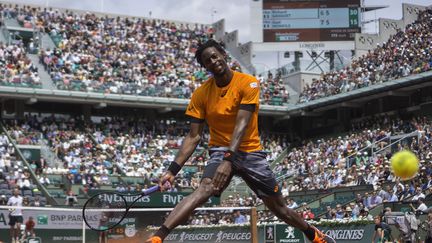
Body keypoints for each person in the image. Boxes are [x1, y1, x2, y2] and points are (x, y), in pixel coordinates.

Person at [146, 39, 334, 243]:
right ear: (205, 67)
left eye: (215, 55)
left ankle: (312, 234)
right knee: (204, 189)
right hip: (220, 150)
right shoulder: (200, 94)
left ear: (223, 55)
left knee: (280, 209)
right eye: (207, 60)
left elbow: (241, 125)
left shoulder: (248, 82)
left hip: (250, 152)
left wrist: (229, 160)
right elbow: (193, 136)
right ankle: (158, 238)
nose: (213, 61)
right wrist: (172, 170)